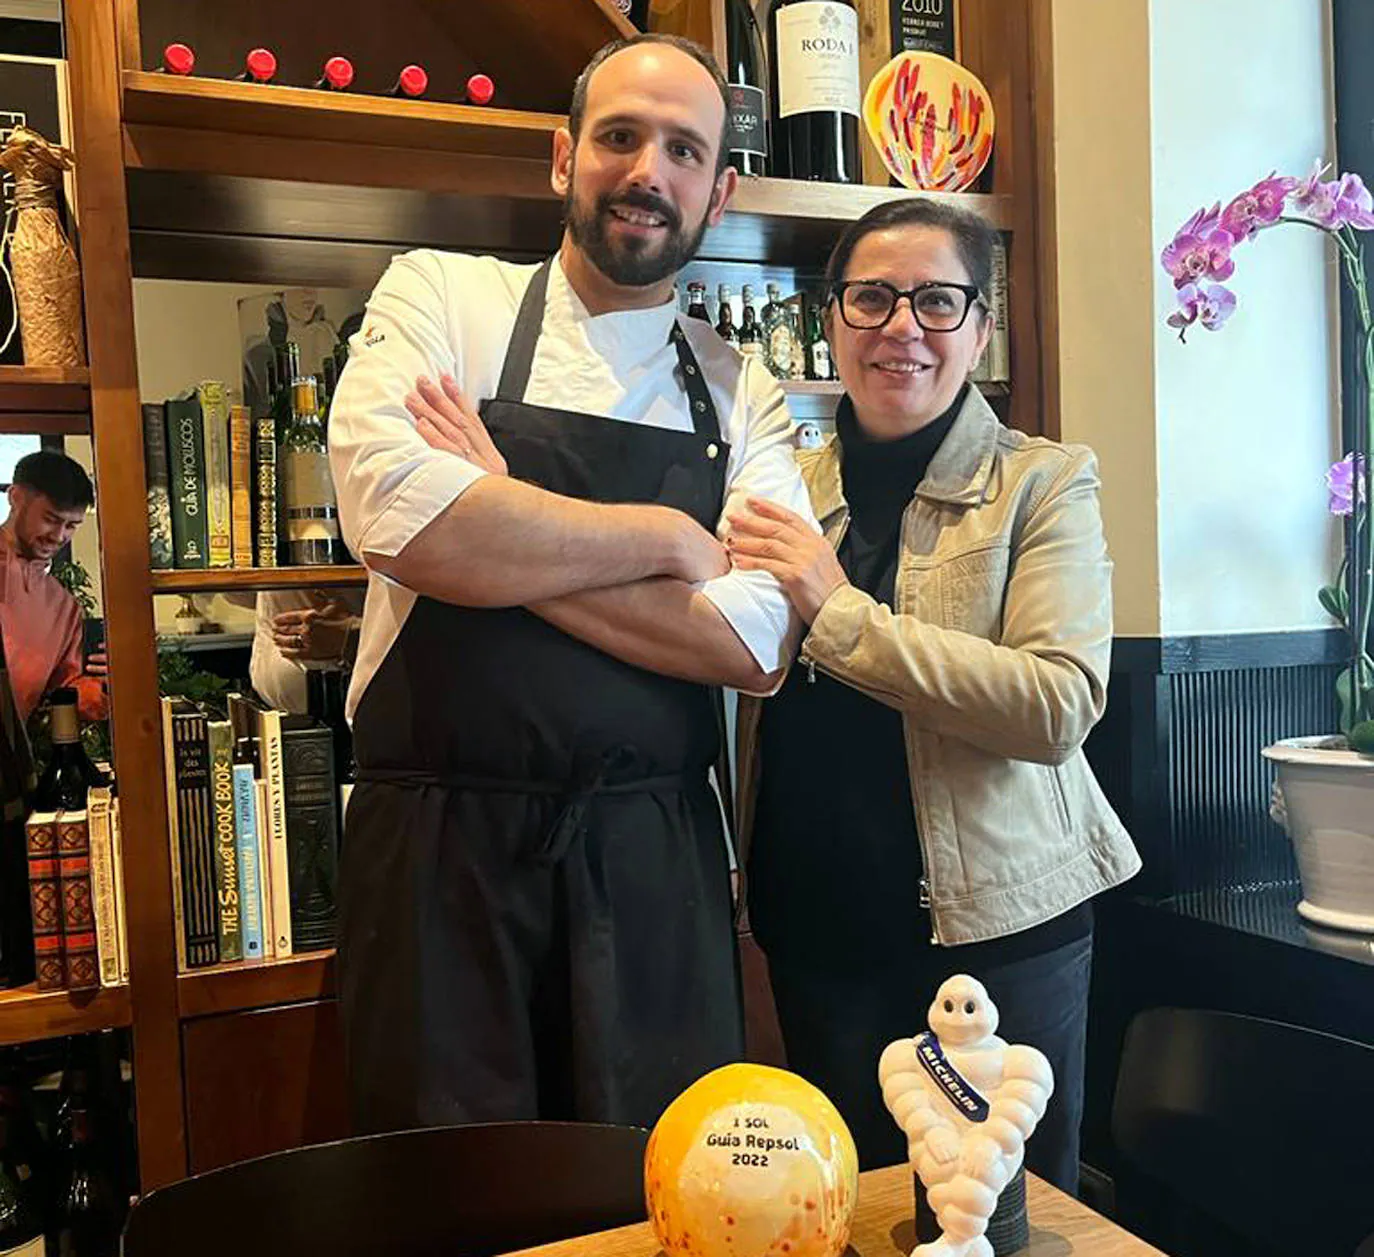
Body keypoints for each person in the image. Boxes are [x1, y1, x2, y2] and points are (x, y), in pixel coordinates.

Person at [327, 33, 815, 1134]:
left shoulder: (744, 390)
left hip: (652, 867)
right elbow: (399, 516)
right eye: (620, 137)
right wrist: (666, 537)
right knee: (448, 1200)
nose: (650, 171)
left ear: (720, 191)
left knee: (654, 1194)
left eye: (684, 150)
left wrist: (500, 518)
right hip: (437, 864)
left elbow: (754, 643)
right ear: (563, 159)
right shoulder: (443, 297)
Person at [729, 199, 1141, 1191]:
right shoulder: (779, 488)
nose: (900, 326)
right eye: (871, 298)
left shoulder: (1042, 483)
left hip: (994, 937)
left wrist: (839, 615)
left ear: (980, 328)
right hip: (814, 932)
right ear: (830, 320)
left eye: (937, 300)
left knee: (1003, 1216)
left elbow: (1057, 704)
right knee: (851, 1211)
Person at [0, 450, 107, 723]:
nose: (59, 536)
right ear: (15, 497)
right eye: (50, 519)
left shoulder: (63, 607)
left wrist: (105, 685)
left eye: (71, 525)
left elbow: (68, 693)